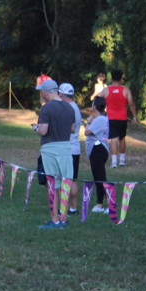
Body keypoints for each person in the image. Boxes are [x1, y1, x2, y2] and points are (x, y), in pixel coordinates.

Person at [32, 79, 75, 229]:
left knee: (52, 184)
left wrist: (36, 128)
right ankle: (63, 218)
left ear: (45, 93)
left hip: (50, 149)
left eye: (41, 92)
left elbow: (44, 131)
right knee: (65, 184)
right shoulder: (69, 107)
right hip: (66, 148)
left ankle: (55, 219)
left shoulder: (47, 108)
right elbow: (72, 129)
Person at [97, 69, 137, 167]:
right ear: (121, 78)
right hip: (122, 118)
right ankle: (122, 160)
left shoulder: (106, 90)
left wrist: (101, 113)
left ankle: (114, 161)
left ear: (111, 78)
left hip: (111, 118)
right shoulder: (125, 90)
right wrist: (134, 116)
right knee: (122, 138)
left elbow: (99, 102)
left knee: (113, 138)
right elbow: (131, 103)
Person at [58, 82, 82, 215]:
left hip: (67, 148)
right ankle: (73, 207)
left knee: (65, 180)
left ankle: (64, 208)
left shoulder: (67, 109)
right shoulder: (75, 107)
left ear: (61, 94)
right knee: (72, 180)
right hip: (75, 147)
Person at [85, 97, 110, 213]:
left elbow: (87, 132)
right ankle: (100, 205)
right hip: (98, 150)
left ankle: (108, 205)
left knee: (100, 178)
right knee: (98, 178)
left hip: (98, 149)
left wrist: (89, 122)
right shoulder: (103, 118)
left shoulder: (100, 119)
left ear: (94, 106)